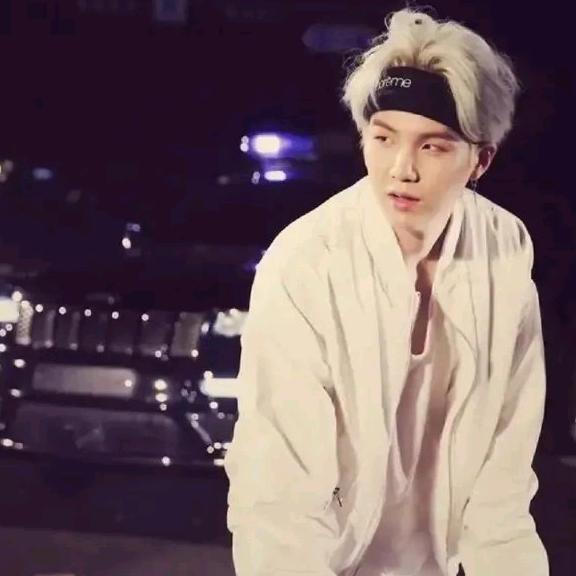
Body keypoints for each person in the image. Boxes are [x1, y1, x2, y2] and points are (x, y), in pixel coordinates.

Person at [223, 6, 548, 576]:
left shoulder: (505, 249)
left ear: (480, 160)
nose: (402, 169)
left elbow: (503, 480)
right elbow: (279, 493)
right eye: (383, 138)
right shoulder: (307, 262)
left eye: (433, 146)